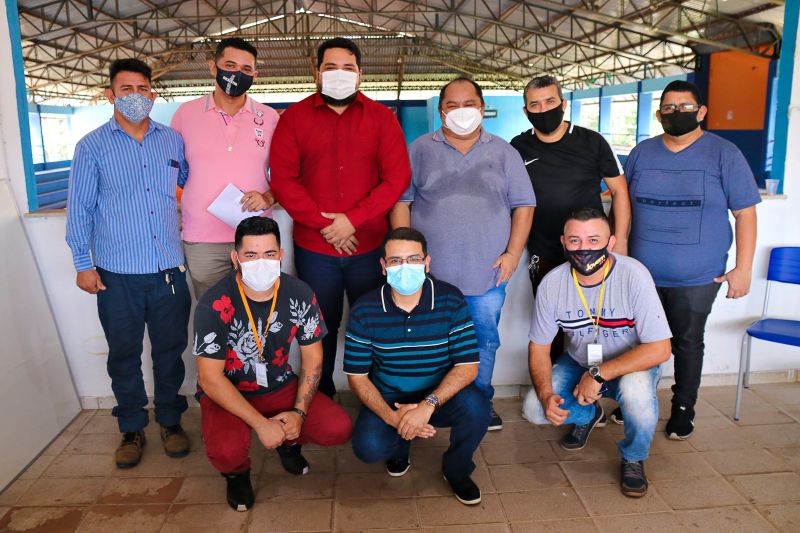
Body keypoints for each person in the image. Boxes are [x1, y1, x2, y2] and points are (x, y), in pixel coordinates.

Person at [390, 77, 535, 430]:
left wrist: (513, 253)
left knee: (483, 342)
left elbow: (524, 205)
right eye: (452, 106)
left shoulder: (504, 152)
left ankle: (479, 404)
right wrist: (406, 259)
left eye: (468, 104)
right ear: (441, 112)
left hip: (486, 274)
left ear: (482, 108)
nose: (461, 112)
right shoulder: (419, 149)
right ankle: (430, 405)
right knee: (427, 344)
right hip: (428, 278)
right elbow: (401, 202)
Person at [66, 58, 191, 469]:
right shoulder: (92, 146)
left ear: (152, 94)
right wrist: (83, 263)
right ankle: (132, 428)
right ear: (110, 95)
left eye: (142, 89)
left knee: (170, 352)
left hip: (168, 269)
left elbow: (187, 183)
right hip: (116, 274)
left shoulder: (171, 140)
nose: (135, 96)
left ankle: (170, 421)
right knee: (124, 353)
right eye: (126, 89)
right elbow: (80, 209)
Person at [270, 37, 411, 398]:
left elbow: (396, 179)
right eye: (330, 67)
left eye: (348, 67)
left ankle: (378, 398)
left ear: (360, 74)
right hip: (316, 249)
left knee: (375, 325)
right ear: (317, 73)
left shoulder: (382, 119)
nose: (339, 73)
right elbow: (284, 181)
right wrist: (328, 226)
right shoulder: (294, 119)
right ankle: (321, 398)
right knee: (320, 327)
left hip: (370, 247)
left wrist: (353, 220)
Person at [625, 80, 760, 439]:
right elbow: (623, 204)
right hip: (641, 274)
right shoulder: (642, 152)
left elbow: (745, 213)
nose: (677, 113)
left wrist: (743, 268)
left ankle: (683, 408)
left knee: (686, 343)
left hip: (698, 277)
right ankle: (634, 400)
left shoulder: (724, 153)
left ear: (701, 112)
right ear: (659, 115)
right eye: (669, 108)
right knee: (638, 342)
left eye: (685, 107)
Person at [193, 216, 353, 511]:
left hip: (279, 384)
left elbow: (313, 359)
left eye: (269, 254)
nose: (261, 263)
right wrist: (260, 425)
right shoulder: (214, 303)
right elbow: (209, 378)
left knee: (337, 427)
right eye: (250, 255)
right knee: (226, 451)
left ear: (281, 255)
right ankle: (237, 475)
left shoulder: (299, 293)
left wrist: (299, 414)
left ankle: (289, 442)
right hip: (228, 390)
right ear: (235, 258)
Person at [522, 208, 672, 497]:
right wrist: (545, 394)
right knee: (534, 409)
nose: (584, 248)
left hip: (632, 363)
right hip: (580, 360)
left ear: (611, 242)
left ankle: (633, 457)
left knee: (637, 394)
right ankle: (588, 415)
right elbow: (539, 347)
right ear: (563, 242)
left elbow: (660, 348)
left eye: (594, 240)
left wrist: (598, 374)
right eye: (575, 240)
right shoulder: (552, 283)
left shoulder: (634, 275)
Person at [345, 228, 490, 505]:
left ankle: (457, 470)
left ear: (427, 263)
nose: (405, 267)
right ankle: (401, 444)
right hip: (389, 396)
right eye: (395, 261)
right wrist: (396, 419)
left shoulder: (450, 299)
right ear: (383, 266)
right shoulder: (364, 309)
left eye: (413, 259)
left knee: (478, 409)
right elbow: (357, 377)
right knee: (368, 448)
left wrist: (426, 406)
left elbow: (468, 366)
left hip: (438, 394)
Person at [511, 75, 631, 368]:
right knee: (549, 322)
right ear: (526, 111)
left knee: (596, 321)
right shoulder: (518, 146)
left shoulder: (592, 142)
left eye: (550, 101)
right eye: (535, 105)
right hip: (544, 251)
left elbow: (619, 191)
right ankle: (552, 382)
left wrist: (621, 241)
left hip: (592, 249)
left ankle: (594, 380)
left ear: (563, 104)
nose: (544, 110)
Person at [171, 37, 280, 298]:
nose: (237, 74)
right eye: (230, 66)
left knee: (260, 306)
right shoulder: (186, 114)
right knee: (214, 311)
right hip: (202, 238)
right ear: (213, 67)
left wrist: (268, 197)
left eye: (246, 69)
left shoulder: (269, 117)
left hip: (256, 237)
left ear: (255, 75)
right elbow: (172, 171)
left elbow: (287, 174)